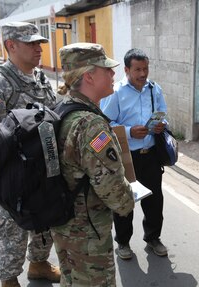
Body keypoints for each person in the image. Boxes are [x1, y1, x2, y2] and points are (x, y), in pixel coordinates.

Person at [0, 22, 59, 287]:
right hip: (12, 178)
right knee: (12, 234)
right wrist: (6, 178)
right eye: (31, 43)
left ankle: (38, 265)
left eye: (40, 43)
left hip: (44, 171)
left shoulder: (40, 79)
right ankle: (9, 281)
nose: (39, 48)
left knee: (44, 224)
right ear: (11, 45)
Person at [51, 42, 135, 286]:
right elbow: (114, 192)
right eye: (105, 69)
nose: (112, 74)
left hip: (64, 224)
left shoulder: (62, 108)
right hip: (88, 233)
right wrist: (129, 200)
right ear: (88, 76)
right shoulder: (90, 125)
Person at [100, 48, 168, 260]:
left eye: (145, 69)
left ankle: (153, 238)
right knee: (124, 202)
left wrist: (161, 125)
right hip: (126, 157)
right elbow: (104, 124)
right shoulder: (116, 92)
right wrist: (129, 131)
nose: (142, 74)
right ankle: (123, 242)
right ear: (127, 69)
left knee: (154, 201)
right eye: (137, 69)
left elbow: (164, 116)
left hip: (151, 155)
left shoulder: (154, 89)